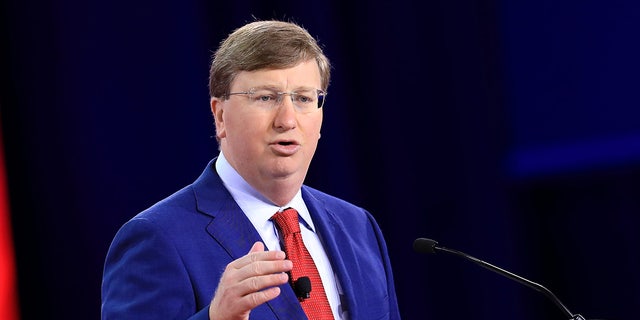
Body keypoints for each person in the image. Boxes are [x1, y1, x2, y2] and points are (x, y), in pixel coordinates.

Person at [101, 19, 401, 320]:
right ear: (220, 116)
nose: (287, 120)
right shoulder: (156, 238)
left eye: (303, 99)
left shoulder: (358, 227)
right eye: (265, 98)